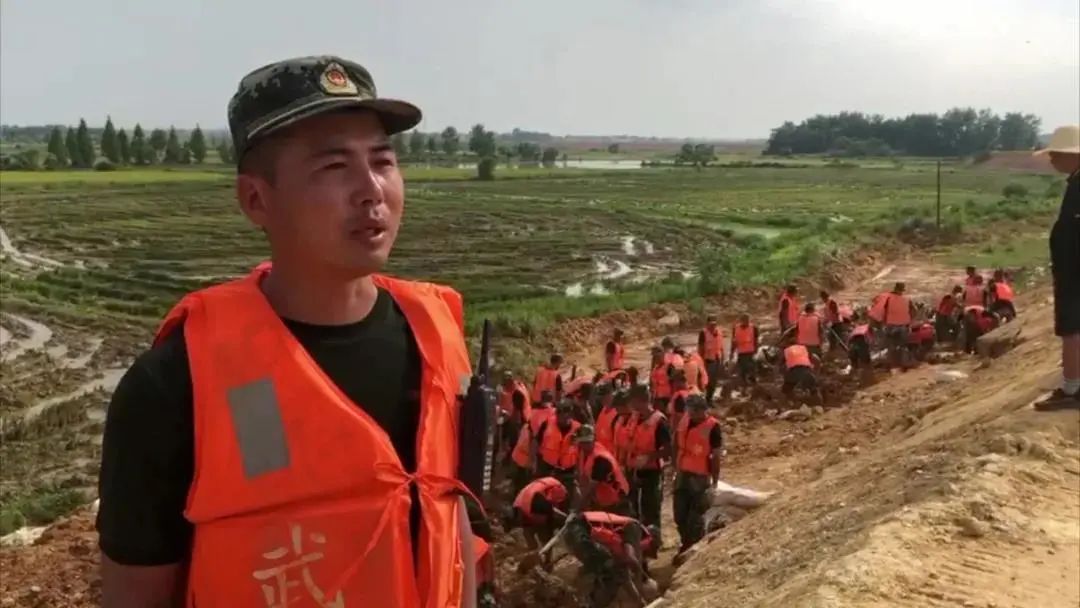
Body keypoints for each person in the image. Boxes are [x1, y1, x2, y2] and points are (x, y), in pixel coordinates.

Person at [95, 55, 489, 607]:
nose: (371, 190)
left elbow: (450, 510)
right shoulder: (181, 382)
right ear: (256, 200)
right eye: (334, 166)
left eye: (383, 160)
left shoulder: (437, 337)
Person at [1034, 125, 1080, 409]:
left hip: (1074, 275)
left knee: (1072, 330)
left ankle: (1072, 390)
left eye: (1056, 154)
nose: (1051, 159)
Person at [562, 511, 659, 608]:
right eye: (652, 548)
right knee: (610, 573)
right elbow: (630, 557)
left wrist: (641, 602)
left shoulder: (620, 546)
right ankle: (586, 602)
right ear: (651, 539)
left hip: (576, 535)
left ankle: (587, 601)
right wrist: (645, 577)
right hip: (579, 531)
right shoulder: (635, 528)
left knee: (613, 574)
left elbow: (624, 577)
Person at [672, 394, 722, 555]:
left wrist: (714, 481)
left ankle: (692, 548)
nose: (691, 414)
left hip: (700, 477)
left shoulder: (713, 427)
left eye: (694, 411)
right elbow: (676, 442)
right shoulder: (685, 420)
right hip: (682, 474)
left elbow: (716, 456)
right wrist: (674, 467)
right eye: (689, 410)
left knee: (695, 516)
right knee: (680, 514)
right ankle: (686, 543)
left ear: (703, 410)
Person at [627, 384, 671, 530]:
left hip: (652, 472)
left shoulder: (659, 421)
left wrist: (649, 457)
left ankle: (653, 539)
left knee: (650, 510)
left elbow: (668, 449)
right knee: (634, 509)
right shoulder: (635, 417)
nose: (630, 404)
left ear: (640, 400)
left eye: (632, 400)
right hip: (635, 470)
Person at [503, 477, 569, 572]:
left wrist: (565, 518)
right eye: (537, 519)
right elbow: (528, 532)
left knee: (546, 536)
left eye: (540, 520)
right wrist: (534, 554)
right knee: (530, 536)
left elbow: (552, 512)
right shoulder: (521, 508)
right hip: (533, 503)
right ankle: (538, 562)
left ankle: (547, 562)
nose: (538, 522)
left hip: (551, 493)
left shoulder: (555, 495)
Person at [575, 425, 631, 513]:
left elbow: (591, 488)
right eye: (582, 442)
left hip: (616, 502)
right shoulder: (584, 453)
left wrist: (578, 508)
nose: (585, 445)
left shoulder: (600, 459)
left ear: (594, 440)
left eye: (588, 442)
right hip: (603, 500)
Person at [510, 391, 555, 496]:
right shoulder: (552, 413)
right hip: (535, 454)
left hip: (524, 452)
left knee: (521, 481)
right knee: (531, 483)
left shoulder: (533, 412)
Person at [498, 371, 531, 464]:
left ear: (510, 382)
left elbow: (517, 411)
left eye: (506, 383)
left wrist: (511, 421)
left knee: (515, 441)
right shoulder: (520, 386)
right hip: (522, 417)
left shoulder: (517, 393)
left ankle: (511, 460)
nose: (505, 386)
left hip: (520, 419)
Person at [881, 282, 915, 368]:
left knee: (891, 345)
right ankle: (903, 363)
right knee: (903, 345)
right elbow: (913, 311)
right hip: (903, 326)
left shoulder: (888, 298)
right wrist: (909, 320)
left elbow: (882, 311)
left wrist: (884, 321)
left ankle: (891, 364)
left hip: (890, 325)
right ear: (902, 290)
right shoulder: (906, 300)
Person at [698, 316, 725, 399]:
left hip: (717, 359)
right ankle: (707, 398)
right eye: (711, 324)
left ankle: (710, 398)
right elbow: (701, 348)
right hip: (708, 360)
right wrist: (701, 362)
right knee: (708, 381)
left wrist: (723, 358)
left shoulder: (719, 332)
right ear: (707, 324)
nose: (713, 326)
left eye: (714, 324)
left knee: (714, 380)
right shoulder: (703, 333)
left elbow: (721, 346)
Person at [729, 314, 759, 387]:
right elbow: (734, 341)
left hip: (750, 352)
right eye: (744, 320)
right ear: (741, 321)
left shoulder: (753, 328)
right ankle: (744, 385)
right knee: (743, 370)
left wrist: (756, 350)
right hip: (741, 352)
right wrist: (732, 352)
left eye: (747, 321)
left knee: (752, 369)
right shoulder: (736, 328)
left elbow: (756, 340)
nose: (746, 322)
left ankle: (753, 384)